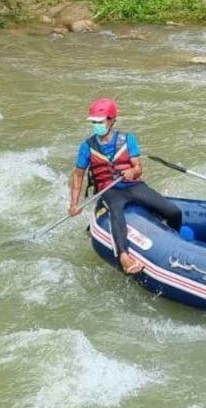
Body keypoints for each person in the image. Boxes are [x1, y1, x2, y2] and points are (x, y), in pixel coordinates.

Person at [68, 98, 184, 275]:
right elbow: (78, 175)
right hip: (109, 190)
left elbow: (138, 168)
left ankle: (171, 239)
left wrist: (132, 171)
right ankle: (124, 256)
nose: (96, 125)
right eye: (94, 122)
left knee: (174, 212)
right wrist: (74, 204)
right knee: (116, 211)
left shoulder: (128, 139)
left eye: (100, 121)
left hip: (133, 185)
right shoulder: (87, 146)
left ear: (111, 119)